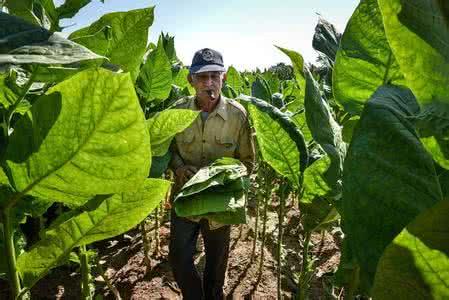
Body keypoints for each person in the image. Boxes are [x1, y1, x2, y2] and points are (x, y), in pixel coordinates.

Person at [168, 48, 255, 300]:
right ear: (190, 80)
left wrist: (224, 178)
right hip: (186, 196)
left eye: (214, 76)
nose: (209, 83)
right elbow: (169, 150)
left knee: (217, 262)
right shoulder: (178, 112)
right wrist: (178, 167)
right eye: (202, 77)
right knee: (179, 256)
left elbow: (247, 161)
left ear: (223, 78)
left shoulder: (238, 116)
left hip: (220, 200)